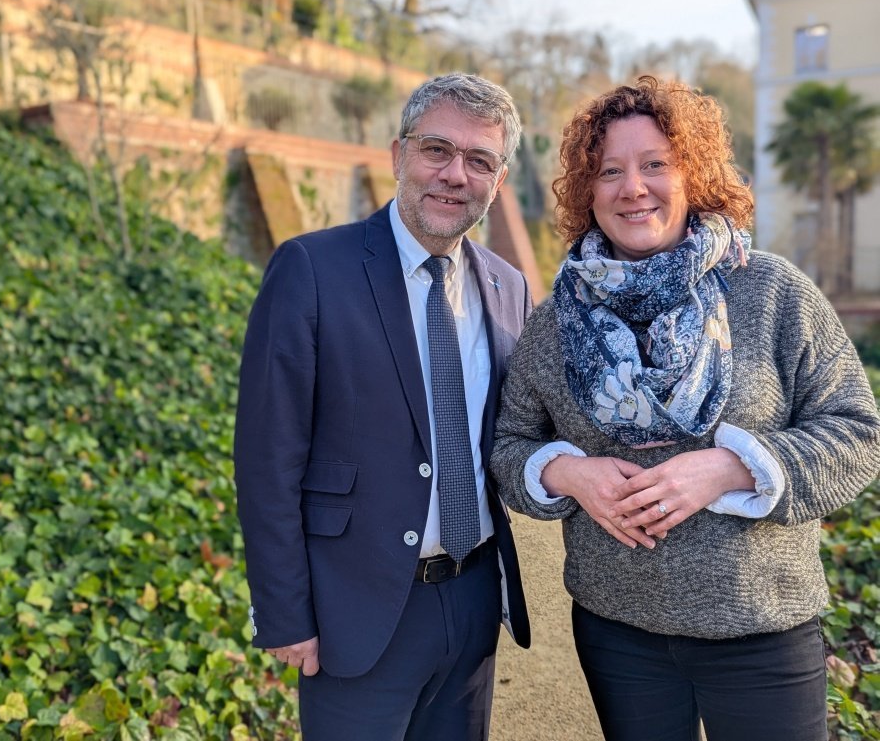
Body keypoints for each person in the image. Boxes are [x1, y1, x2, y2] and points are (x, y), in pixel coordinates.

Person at [490, 75, 880, 741]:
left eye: (654, 165)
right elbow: (509, 447)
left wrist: (731, 468)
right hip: (619, 635)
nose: (632, 187)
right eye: (609, 170)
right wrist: (568, 474)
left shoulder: (772, 291)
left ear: (694, 174)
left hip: (762, 629)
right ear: (588, 190)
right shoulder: (556, 321)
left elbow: (857, 434)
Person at [235, 73, 532, 741]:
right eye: (437, 150)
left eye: (479, 160)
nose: (455, 174)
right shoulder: (311, 269)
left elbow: (522, 432)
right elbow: (267, 456)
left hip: (475, 597)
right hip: (357, 606)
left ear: (499, 178)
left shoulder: (507, 287)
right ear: (398, 155)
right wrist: (286, 613)